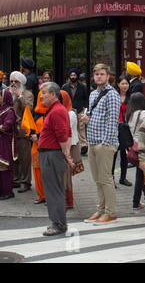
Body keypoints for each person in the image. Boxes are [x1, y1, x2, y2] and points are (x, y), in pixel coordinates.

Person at [81, 64, 121, 225]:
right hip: (92, 140)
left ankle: (110, 213)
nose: (99, 77)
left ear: (108, 76)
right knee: (98, 179)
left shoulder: (112, 95)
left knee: (105, 179)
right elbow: (92, 115)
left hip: (105, 143)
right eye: (96, 74)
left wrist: (106, 143)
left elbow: (113, 121)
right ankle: (101, 209)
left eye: (102, 74)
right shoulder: (92, 95)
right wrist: (86, 119)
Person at [38, 82, 73, 236]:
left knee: (53, 190)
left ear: (53, 94)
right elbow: (67, 133)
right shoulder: (57, 110)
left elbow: (63, 135)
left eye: (44, 92)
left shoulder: (56, 111)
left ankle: (57, 224)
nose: (41, 95)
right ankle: (59, 222)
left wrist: (66, 153)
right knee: (55, 189)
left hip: (52, 154)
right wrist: (66, 152)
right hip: (51, 154)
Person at [9, 71, 34, 193]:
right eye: (12, 81)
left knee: (24, 158)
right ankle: (16, 180)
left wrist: (19, 96)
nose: (13, 84)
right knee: (14, 157)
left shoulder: (27, 94)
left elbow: (28, 109)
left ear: (21, 83)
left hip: (22, 131)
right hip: (9, 131)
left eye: (16, 81)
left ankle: (26, 182)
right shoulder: (8, 93)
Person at [126, 92, 145, 209]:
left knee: (141, 172)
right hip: (142, 145)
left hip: (133, 145)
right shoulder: (143, 113)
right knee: (141, 174)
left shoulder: (129, 114)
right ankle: (136, 201)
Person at [62, 68, 89, 155]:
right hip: (69, 109)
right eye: (71, 75)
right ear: (69, 76)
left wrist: (85, 107)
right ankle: (71, 144)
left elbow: (85, 97)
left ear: (77, 76)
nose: (73, 77)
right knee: (70, 127)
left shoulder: (82, 86)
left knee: (81, 127)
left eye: (74, 75)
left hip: (80, 109)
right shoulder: (65, 87)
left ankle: (84, 145)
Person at [112, 74, 132, 186]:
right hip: (115, 127)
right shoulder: (114, 96)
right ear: (118, 84)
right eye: (122, 83)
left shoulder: (131, 97)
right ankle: (111, 178)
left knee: (125, 155)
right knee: (113, 154)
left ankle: (123, 177)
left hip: (125, 128)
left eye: (126, 83)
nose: (125, 86)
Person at [30, 91, 48, 204]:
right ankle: (41, 195)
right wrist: (32, 137)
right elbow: (29, 127)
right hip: (35, 147)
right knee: (37, 172)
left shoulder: (52, 112)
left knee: (47, 172)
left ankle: (49, 196)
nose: (42, 100)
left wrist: (39, 136)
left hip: (47, 147)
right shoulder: (35, 112)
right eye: (40, 98)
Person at [0, 88, 18, 200]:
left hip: (6, 142)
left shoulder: (9, 111)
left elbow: (7, 126)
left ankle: (7, 192)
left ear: (5, 98)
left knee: (5, 168)